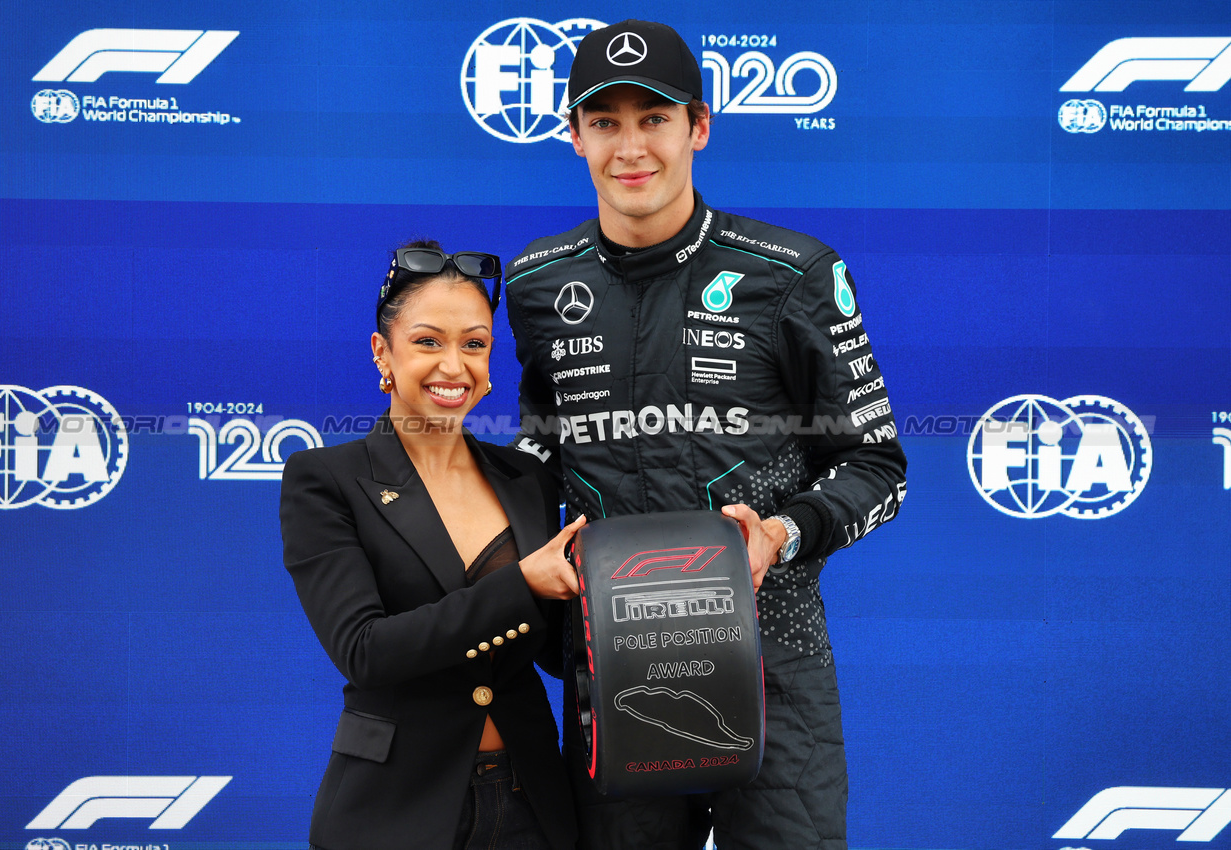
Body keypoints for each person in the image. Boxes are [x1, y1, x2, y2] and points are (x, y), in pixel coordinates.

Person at [505, 20, 908, 850]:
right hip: (611, 663)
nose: (630, 147)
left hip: (773, 662)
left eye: (652, 118)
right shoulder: (536, 282)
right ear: (573, 135)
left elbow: (877, 465)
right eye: (604, 121)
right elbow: (538, 450)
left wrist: (782, 533)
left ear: (698, 126)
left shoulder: (792, 273)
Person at [280, 241, 582, 850]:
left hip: (534, 804)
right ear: (382, 352)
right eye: (428, 342)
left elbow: (553, 651)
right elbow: (366, 651)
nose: (454, 365)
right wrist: (520, 583)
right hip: (395, 811)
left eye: (474, 344)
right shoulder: (325, 479)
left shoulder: (528, 481)